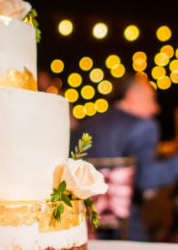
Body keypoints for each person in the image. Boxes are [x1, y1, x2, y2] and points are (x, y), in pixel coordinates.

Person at [71, 75, 178, 241]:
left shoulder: (84, 127)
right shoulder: (144, 126)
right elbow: (147, 179)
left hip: (83, 230)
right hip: (126, 233)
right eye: (151, 100)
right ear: (132, 96)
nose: (156, 108)